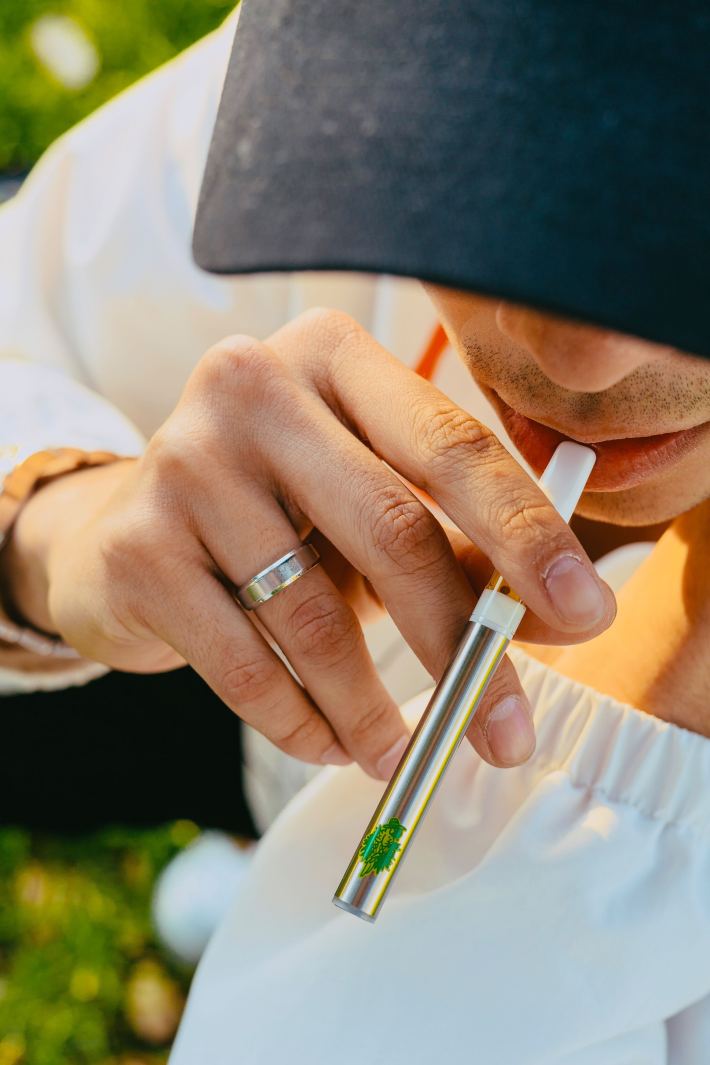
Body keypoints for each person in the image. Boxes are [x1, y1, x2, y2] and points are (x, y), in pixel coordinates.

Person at [0, 1, 708, 1061]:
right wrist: (60, 521)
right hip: (263, 721)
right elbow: (35, 295)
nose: (573, 357)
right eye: (496, 153)